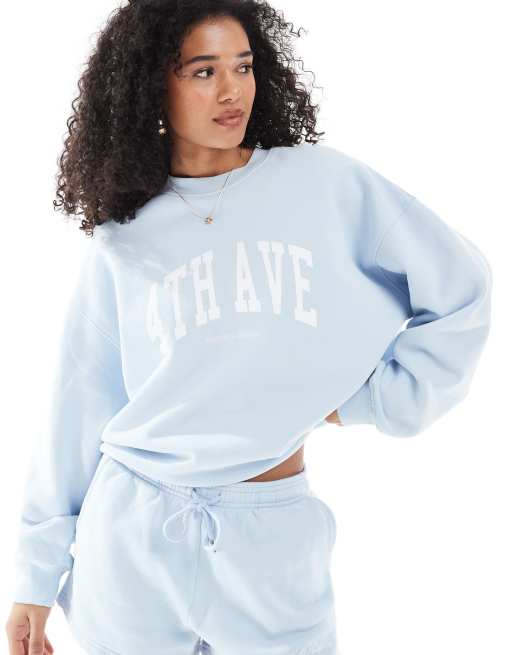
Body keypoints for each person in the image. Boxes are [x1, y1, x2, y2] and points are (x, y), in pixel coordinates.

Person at [5, 1, 492, 654]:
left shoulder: (323, 184)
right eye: (203, 71)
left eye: (243, 65)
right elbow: (79, 405)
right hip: (132, 537)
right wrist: (36, 575)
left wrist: (377, 399)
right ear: (153, 86)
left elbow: (461, 287)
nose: (231, 89)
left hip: (272, 535)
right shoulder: (124, 237)